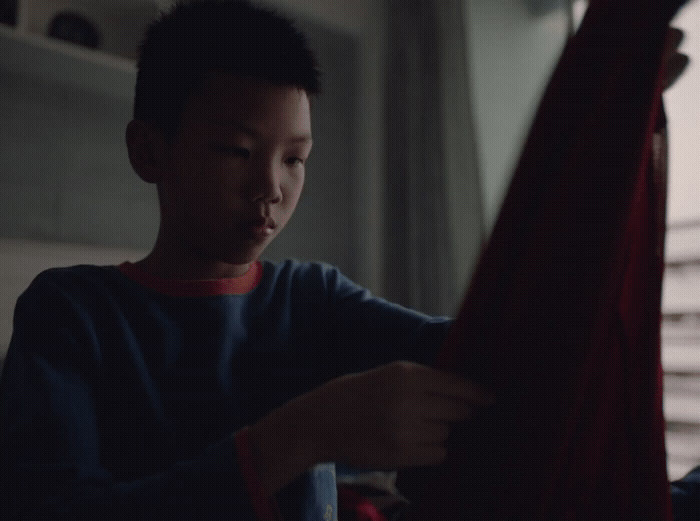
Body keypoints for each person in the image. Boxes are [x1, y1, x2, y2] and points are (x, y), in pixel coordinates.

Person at [0, 1, 491, 519]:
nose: (271, 188)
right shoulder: (73, 314)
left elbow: (467, 351)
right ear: (149, 152)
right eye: (237, 151)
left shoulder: (311, 298)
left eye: (294, 159)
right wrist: (302, 433)